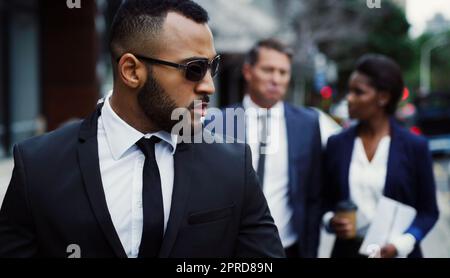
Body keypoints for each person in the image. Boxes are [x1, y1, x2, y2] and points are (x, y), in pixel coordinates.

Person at [0, 0, 284, 258]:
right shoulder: (38, 165)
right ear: (132, 71)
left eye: (213, 66)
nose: (208, 85)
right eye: (194, 69)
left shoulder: (232, 164)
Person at [208, 39, 323, 258]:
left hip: (288, 247)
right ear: (248, 71)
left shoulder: (307, 124)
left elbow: (314, 194)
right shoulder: (218, 122)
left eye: (283, 72)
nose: (276, 79)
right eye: (268, 70)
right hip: (231, 249)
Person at [323, 54, 439, 258]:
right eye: (349, 91)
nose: (349, 98)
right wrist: (331, 221)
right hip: (347, 252)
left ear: (383, 97)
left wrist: (401, 244)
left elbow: (429, 211)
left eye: (358, 92)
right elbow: (323, 200)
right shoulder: (337, 143)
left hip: (397, 253)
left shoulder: (415, 146)